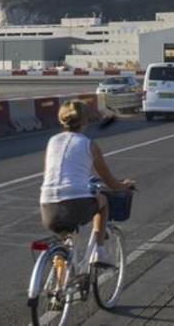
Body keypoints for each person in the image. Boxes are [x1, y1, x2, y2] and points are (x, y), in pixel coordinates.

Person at [39, 100, 136, 266]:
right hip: (74, 204)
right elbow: (110, 181)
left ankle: (59, 287)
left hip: (47, 207)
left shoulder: (53, 141)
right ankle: (99, 251)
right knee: (103, 201)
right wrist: (124, 185)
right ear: (85, 121)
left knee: (64, 243)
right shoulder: (88, 145)